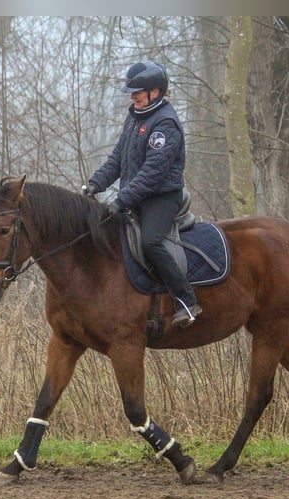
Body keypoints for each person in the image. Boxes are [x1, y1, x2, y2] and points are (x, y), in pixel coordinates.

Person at [82, 61, 202, 328]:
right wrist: (95, 184)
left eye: (137, 91)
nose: (132, 96)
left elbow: (152, 173)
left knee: (150, 242)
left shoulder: (165, 124)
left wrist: (121, 200)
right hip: (137, 197)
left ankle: (186, 300)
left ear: (156, 92)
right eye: (131, 91)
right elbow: (116, 159)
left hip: (162, 197)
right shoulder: (135, 117)